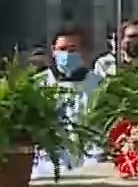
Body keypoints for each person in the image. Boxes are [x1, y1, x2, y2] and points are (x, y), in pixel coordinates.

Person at [35, 26, 103, 178]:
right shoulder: (39, 85)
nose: (66, 54)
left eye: (72, 49)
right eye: (62, 49)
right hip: (47, 166)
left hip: (91, 163)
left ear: (84, 51)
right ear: (53, 51)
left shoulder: (99, 85)